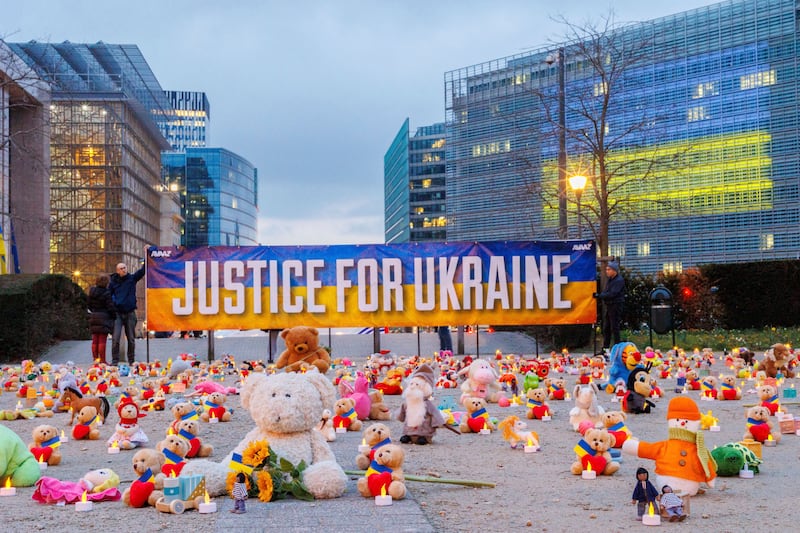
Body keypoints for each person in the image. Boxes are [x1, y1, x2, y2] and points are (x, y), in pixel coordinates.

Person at [109, 261, 145, 366]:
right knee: (115, 338)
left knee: (131, 338)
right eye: (121, 268)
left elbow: (142, 271)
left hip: (130, 312)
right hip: (118, 313)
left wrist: (147, 254)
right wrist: (114, 305)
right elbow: (109, 296)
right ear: (117, 271)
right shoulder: (113, 282)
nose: (124, 269)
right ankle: (115, 361)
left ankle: (131, 360)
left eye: (124, 267)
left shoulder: (131, 279)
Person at [594, 261, 625, 352]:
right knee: (607, 326)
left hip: (615, 305)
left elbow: (612, 293)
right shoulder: (611, 280)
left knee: (614, 326)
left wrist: (600, 296)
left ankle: (617, 347)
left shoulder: (618, 280)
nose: (606, 271)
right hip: (610, 305)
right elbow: (607, 291)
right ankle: (606, 347)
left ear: (614, 271)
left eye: (609, 269)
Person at [87, 274, 116, 364]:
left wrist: (94, 311)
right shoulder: (106, 293)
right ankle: (103, 360)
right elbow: (110, 306)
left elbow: (89, 304)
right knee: (102, 340)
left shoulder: (92, 291)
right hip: (104, 317)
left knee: (95, 339)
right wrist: (113, 315)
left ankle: (95, 359)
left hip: (94, 316)